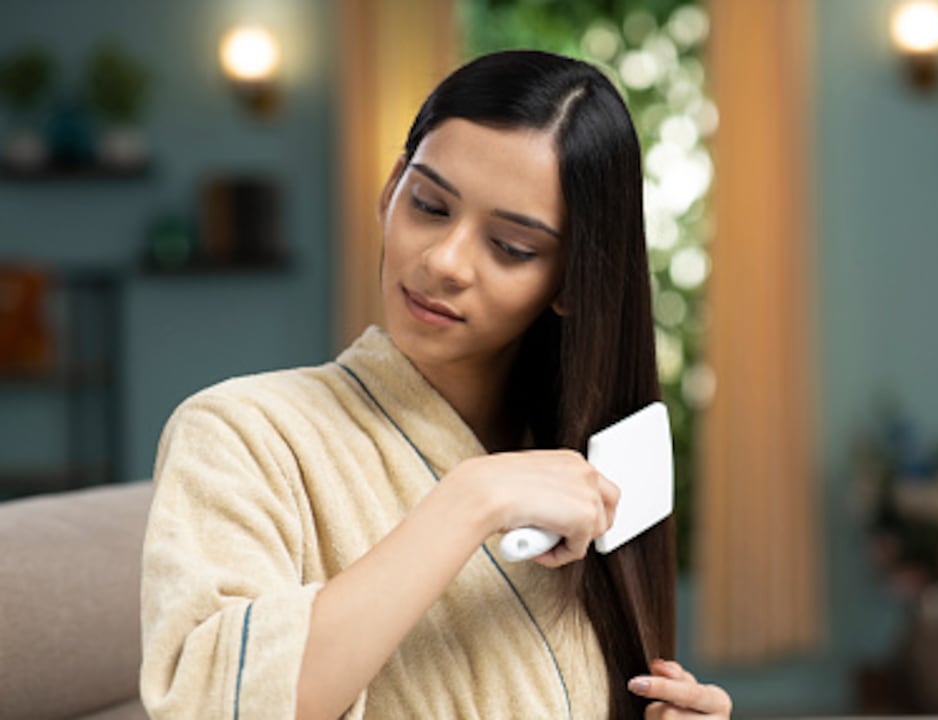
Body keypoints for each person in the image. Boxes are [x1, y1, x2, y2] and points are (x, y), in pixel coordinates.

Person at [138, 50, 733, 720]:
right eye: (428, 204)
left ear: (571, 281)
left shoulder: (583, 476)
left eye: (510, 247)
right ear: (391, 189)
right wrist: (468, 501)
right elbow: (215, 708)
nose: (444, 261)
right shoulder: (237, 434)